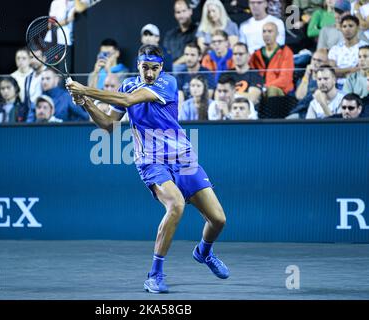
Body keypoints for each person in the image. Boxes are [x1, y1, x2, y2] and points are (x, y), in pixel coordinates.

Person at [66, 44, 229, 294]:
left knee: (218, 219)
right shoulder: (126, 85)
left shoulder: (168, 83)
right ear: (138, 66)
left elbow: (129, 100)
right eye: (145, 68)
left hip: (183, 158)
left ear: (161, 68)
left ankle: (204, 252)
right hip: (151, 161)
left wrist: (85, 89)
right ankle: (155, 275)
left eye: (154, 68)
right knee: (176, 205)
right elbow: (108, 125)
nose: (150, 73)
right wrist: (86, 102)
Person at [249, 22, 294, 97]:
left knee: (271, 90)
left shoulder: (285, 52)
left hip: (281, 90)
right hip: (261, 89)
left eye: (270, 31)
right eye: (264, 31)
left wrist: (266, 86)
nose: (266, 34)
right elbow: (252, 74)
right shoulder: (256, 54)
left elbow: (285, 79)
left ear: (277, 34)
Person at [328, 14, 368, 87]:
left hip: (359, 86)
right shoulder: (335, 49)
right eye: (344, 26)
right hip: (337, 86)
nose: (347, 29)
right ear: (341, 28)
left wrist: (340, 71)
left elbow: (363, 71)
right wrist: (352, 69)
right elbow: (331, 71)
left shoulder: (366, 47)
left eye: (351, 26)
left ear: (358, 28)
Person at [163, 0, 199, 71]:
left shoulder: (198, 31)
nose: (181, 15)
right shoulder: (170, 35)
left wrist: (175, 65)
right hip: (171, 71)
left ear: (190, 11)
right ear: (175, 14)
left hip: (190, 70)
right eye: (178, 12)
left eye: (184, 11)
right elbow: (166, 55)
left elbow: (195, 53)